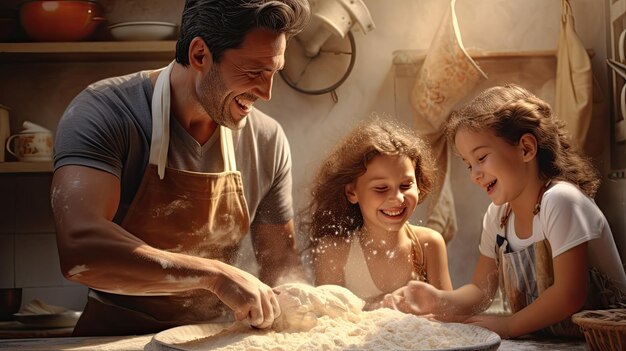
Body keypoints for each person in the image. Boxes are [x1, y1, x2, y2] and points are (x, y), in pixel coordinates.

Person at [50, 0, 310, 336]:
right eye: (253, 71)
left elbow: (281, 265)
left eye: (274, 72)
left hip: (217, 338)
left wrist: (307, 308)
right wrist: (215, 276)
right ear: (200, 54)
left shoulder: (267, 139)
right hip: (112, 338)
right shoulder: (106, 111)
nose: (267, 91)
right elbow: (79, 247)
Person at [383, 84, 626, 339]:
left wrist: (507, 326)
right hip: (552, 342)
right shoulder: (498, 216)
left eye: (481, 158)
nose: (475, 175)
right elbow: (481, 290)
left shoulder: (560, 201)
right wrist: (438, 300)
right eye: (468, 165)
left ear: (526, 149)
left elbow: (569, 294)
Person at [302, 116, 453, 310]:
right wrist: (379, 307)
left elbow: (450, 319)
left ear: (418, 185)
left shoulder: (428, 245)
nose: (397, 198)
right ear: (352, 192)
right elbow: (331, 325)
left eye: (406, 185)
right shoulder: (334, 252)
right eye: (381, 188)